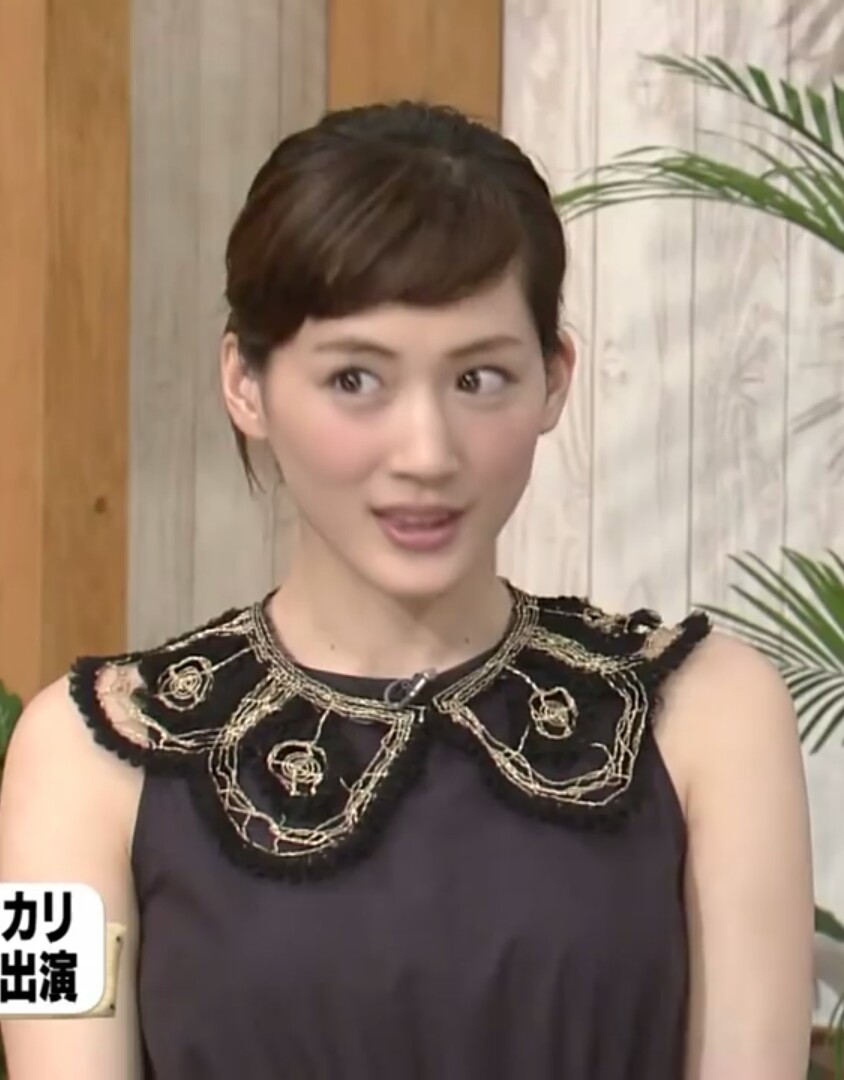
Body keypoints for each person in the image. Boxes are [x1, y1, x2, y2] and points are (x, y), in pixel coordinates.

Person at [0, 100, 814, 1080]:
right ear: (246, 382)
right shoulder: (75, 757)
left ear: (554, 377)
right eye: (355, 380)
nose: (426, 453)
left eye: (478, 379)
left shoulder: (713, 717)